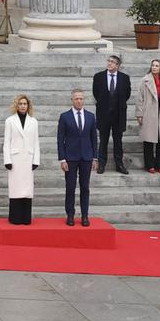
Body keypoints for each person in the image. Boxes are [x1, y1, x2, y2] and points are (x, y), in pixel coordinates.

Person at [56, 91, 98, 227]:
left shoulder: (91, 117)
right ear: (72, 100)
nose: (79, 101)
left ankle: (85, 215)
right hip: (70, 158)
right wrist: (62, 159)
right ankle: (70, 215)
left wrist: (95, 158)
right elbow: (60, 139)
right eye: (76, 99)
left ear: (84, 100)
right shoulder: (65, 117)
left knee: (85, 187)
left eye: (81, 99)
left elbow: (94, 139)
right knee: (70, 187)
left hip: (86, 157)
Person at [4, 94, 42, 224]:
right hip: (15, 160)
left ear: (28, 106)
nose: (22, 106)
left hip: (28, 159)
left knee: (27, 189)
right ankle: (15, 218)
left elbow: (36, 142)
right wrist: (7, 160)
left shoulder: (34, 121)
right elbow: (7, 142)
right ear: (17, 105)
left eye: (25, 104)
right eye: (20, 104)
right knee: (15, 189)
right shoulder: (10, 121)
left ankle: (26, 218)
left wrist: (36, 160)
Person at [92, 54, 132, 174]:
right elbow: (96, 93)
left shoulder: (124, 78)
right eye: (109, 61)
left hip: (118, 115)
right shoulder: (99, 77)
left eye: (113, 62)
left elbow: (127, 94)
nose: (109, 63)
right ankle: (101, 164)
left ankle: (119, 164)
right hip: (103, 114)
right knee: (103, 140)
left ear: (118, 65)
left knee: (118, 140)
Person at [138, 58, 160, 174]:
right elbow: (140, 98)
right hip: (149, 112)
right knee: (148, 141)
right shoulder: (145, 80)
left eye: (157, 66)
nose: (154, 67)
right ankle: (149, 165)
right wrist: (139, 114)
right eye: (153, 65)